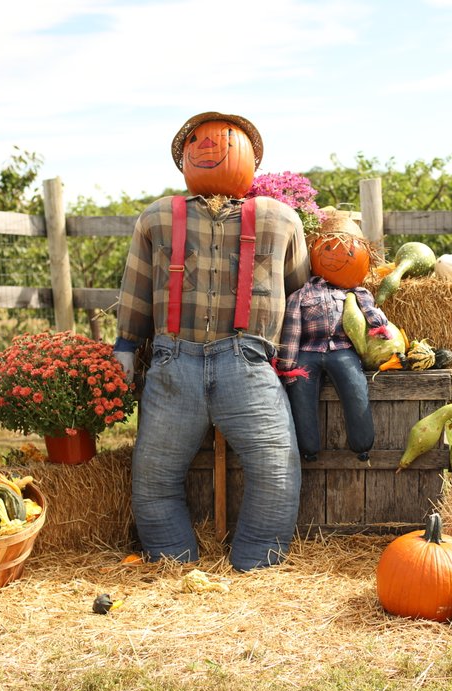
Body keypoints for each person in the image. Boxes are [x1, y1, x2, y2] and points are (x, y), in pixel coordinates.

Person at [113, 111, 310, 571]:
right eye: (196, 141)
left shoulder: (281, 220)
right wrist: (126, 345)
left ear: (249, 158)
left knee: (277, 469)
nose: (208, 146)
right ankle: (173, 562)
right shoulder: (158, 218)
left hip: (248, 360)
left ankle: (256, 563)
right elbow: (137, 287)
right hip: (172, 363)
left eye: (221, 140)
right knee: (154, 477)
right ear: (184, 158)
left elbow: (299, 289)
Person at [276, 275, 390, 463]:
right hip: (308, 349)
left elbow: (369, 310)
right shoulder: (299, 296)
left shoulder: (352, 293)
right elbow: (293, 329)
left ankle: (362, 444)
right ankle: (308, 448)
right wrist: (287, 366)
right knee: (301, 394)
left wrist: (379, 326)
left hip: (341, 349)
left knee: (356, 387)